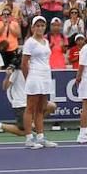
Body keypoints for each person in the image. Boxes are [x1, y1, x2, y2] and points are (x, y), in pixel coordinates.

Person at [20, 16, 58, 149]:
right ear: (33, 28)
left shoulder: (46, 42)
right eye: (38, 25)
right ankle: (29, 138)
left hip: (45, 76)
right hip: (34, 76)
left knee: (41, 108)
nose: (40, 28)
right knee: (30, 108)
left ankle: (40, 137)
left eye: (42, 25)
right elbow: (24, 63)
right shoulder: (29, 42)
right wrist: (29, 78)